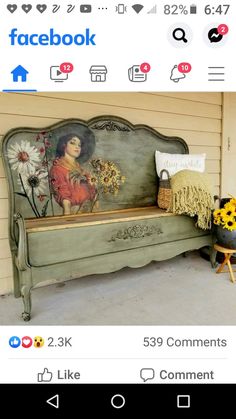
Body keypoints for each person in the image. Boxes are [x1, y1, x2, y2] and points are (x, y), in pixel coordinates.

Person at [50, 133, 96, 215]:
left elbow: (92, 194)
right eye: (72, 143)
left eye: (79, 145)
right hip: (74, 213)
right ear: (64, 145)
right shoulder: (58, 169)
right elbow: (64, 195)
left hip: (89, 211)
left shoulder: (81, 170)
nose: (77, 147)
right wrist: (67, 215)